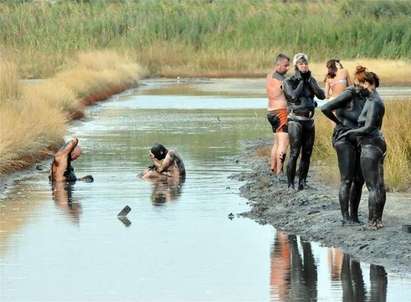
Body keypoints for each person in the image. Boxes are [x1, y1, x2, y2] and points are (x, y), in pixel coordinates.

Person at [320, 66, 367, 224]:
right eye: (366, 84)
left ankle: (354, 216)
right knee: (347, 179)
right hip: (343, 138)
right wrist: (339, 123)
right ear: (359, 82)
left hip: (358, 139)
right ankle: (345, 217)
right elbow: (325, 107)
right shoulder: (349, 93)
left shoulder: (368, 96)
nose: (369, 88)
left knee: (359, 180)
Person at [340, 71, 386, 230]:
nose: (358, 89)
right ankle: (377, 220)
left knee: (373, 186)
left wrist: (349, 132)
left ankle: (373, 222)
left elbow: (368, 127)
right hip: (375, 143)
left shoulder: (373, 101)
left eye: (360, 85)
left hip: (370, 145)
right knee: (379, 185)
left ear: (367, 83)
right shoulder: (373, 99)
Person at [282, 53, 325, 190]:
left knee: (307, 153)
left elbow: (322, 96)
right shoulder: (289, 81)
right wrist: (302, 80)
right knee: (294, 153)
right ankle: (290, 184)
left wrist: (311, 82)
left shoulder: (310, 80)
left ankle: (302, 182)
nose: (304, 66)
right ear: (296, 66)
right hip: (295, 120)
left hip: (309, 120)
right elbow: (293, 96)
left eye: (306, 64)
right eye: (301, 64)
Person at [266, 53, 290, 175]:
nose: (287, 68)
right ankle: (280, 171)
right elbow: (291, 96)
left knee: (276, 142)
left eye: (288, 66)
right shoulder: (283, 81)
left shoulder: (269, 76)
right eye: (285, 66)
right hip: (281, 113)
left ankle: (273, 168)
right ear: (278, 64)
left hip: (270, 112)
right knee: (283, 143)